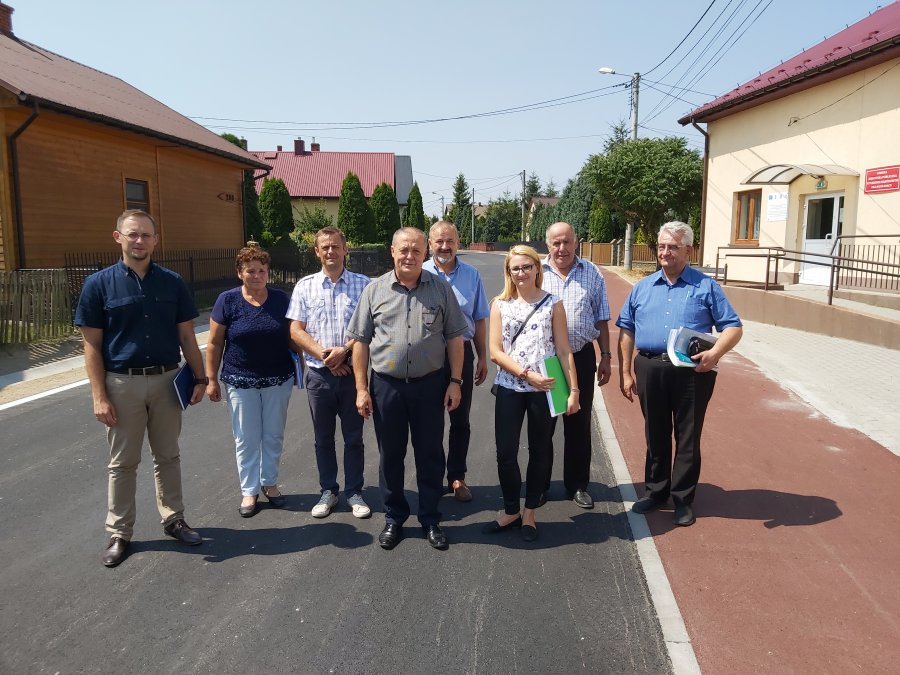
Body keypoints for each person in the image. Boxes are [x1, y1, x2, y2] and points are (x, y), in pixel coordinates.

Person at [75, 209, 206, 568]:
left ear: (155, 240)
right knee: (123, 463)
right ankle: (120, 532)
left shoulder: (173, 283)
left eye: (146, 235)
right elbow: (91, 346)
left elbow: (187, 336)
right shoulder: (98, 285)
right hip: (122, 384)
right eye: (132, 234)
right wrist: (99, 396)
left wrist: (200, 378)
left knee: (168, 455)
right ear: (117, 237)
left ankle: (174, 518)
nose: (139, 241)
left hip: (167, 381)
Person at [347, 227, 467, 551]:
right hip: (387, 386)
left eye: (416, 250)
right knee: (391, 455)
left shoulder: (441, 289)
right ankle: (394, 518)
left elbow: (455, 338)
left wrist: (455, 382)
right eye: (404, 250)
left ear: (425, 253)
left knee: (430, 454)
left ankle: (430, 518)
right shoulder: (374, 291)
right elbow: (360, 342)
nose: (410, 256)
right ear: (392, 252)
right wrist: (361, 388)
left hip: (430, 386)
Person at [617, 221, 743, 527]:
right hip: (649, 368)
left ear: (689, 250)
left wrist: (715, 353)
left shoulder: (706, 287)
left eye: (672, 247)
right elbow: (627, 330)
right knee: (655, 432)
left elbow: (733, 327)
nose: (665, 252)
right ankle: (656, 491)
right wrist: (626, 372)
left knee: (687, 435)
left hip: (692, 372)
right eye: (661, 246)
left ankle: (683, 499)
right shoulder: (642, 287)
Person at [484, 245, 579, 542]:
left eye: (527, 266)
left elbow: (563, 350)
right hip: (511, 386)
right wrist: (527, 375)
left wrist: (574, 390)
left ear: (537, 268)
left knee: (540, 451)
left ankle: (529, 512)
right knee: (505, 453)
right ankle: (511, 509)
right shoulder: (500, 304)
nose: (522, 272)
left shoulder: (553, 304)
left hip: (546, 388)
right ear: (508, 272)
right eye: (516, 268)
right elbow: (495, 352)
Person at [287, 227, 372, 519]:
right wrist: (325, 356)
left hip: (352, 374)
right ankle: (328, 491)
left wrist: (343, 352)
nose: (330, 252)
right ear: (317, 252)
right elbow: (295, 330)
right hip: (318, 376)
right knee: (322, 438)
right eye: (325, 247)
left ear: (345, 249)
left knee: (354, 438)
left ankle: (354, 492)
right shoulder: (304, 286)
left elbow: (369, 328)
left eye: (335, 246)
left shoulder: (364, 285)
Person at [205, 244, 295, 518]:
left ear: (268, 272)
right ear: (240, 273)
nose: (256, 276)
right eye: (250, 271)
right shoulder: (227, 300)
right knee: (246, 437)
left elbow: (294, 336)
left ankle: (269, 482)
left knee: (273, 435)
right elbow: (214, 343)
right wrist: (211, 379)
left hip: (278, 379)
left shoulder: (281, 300)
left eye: (261, 270)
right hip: (240, 380)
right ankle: (249, 490)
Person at [541, 222, 612, 509]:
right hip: (545, 361)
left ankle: (577, 485)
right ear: (548, 244)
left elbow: (601, 318)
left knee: (578, 425)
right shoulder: (536, 271)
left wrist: (605, 355)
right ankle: (540, 485)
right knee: (543, 426)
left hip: (580, 358)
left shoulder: (592, 273)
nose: (562, 248)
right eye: (556, 243)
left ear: (576, 242)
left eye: (567, 242)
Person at [423, 221, 490, 502]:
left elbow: (479, 317)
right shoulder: (420, 273)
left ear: (457, 243)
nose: (444, 246)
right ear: (430, 244)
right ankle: (433, 477)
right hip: (428, 356)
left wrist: (483, 356)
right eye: (439, 241)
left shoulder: (472, 275)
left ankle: (457, 477)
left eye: (449, 241)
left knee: (460, 419)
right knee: (430, 422)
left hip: (462, 354)